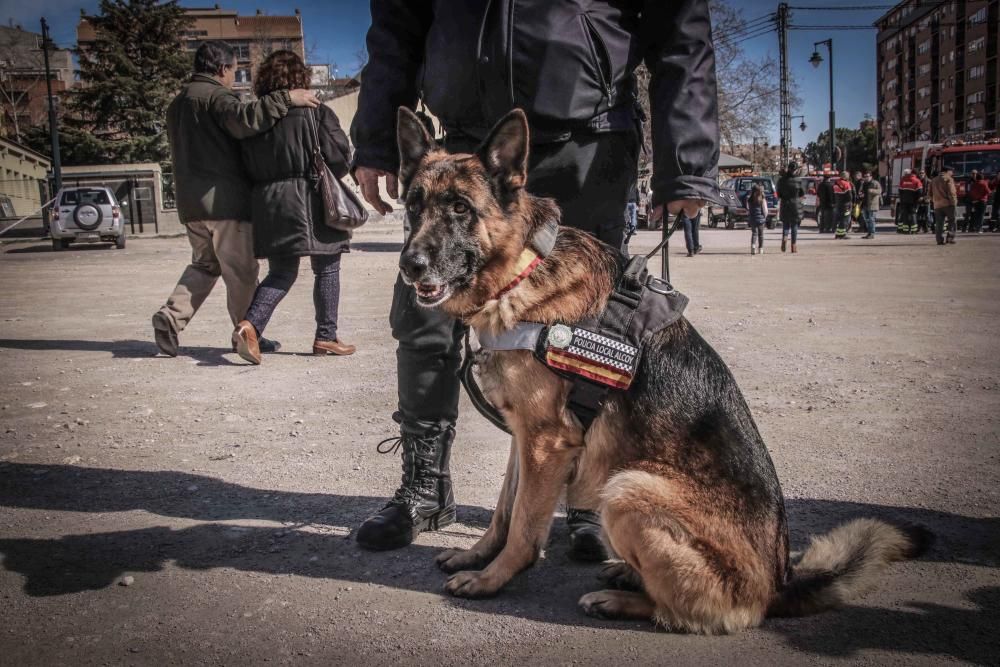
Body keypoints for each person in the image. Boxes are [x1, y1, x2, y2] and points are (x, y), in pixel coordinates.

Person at [350, 0, 721, 556]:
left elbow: (681, 30)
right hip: (468, 141)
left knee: (590, 340)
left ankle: (584, 501)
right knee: (424, 320)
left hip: (589, 141)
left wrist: (687, 159)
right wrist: (377, 139)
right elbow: (396, 29)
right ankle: (425, 485)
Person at [152, 41, 319, 357]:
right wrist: (287, 97)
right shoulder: (216, 97)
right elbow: (245, 119)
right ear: (222, 69)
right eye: (233, 70)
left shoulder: (178, 104)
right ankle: (248, 332)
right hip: (225, 204)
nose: (233, 77)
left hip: (191, 206)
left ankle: (171, 317)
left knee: (204, 265)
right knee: (242, 272)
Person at [231, 51, 356, 365]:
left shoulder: (254, 118)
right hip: (312, 196)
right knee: (327, 268)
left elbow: (242, 165)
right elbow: (340, 156)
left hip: (269, 202)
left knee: (281, 272)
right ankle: (326, 336)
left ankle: (250, 326)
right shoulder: (317, 113)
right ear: (302, 79)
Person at [775, 161, 803, 253]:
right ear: (796, 170)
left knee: (786, 224)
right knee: (794, 225)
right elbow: (802, 193)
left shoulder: (781, 180)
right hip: (795, 204)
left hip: (785, 204)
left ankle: (785, 237)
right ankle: (793, 246)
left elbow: (778, 194)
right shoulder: (798, 180)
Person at [930, 165, 958, 245]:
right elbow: (952, 192)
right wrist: (954, 203)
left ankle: (939, 240)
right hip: (948, 204)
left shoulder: (934, 180)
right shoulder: (949, 179)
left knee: (939, 223)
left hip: (937, 205)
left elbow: (930, 193)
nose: (952, 173)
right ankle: (950, 238)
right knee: (952, 221)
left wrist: (935, 201)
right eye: (951, 171)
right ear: (947, 171)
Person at [896, 168, 922, 235]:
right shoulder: (917, 181)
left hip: (904, 201)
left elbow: (900, 191)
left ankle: (905, 230)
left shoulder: (903, 180)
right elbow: (920, 192)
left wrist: (902, 199)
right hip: (913, 202)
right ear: (916, 174)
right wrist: (917, 199)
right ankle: (914, 230)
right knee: (913, 214)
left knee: (905, 215)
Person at [745, 184, 768, 254]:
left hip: (752, 219)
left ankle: (753, 246)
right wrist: (765, 217)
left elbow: (748, 208)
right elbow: (765, 210)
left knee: (754, 233)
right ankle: (761, 249)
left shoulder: (749, 199)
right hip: (761, 219)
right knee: (761, 234)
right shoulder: (762, 199)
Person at [859, 171, 882, 239]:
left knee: (871, 219)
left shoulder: (875, 183)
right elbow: (861, 191)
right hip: (865, 204)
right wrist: (861, 194)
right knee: (867, 220)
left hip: (872, 204)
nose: (866, 178)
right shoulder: (864, 183)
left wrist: (872, 191)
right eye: (865, 176)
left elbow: (880, 191)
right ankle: (868, 233)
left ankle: (872, 233)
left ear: (871, 177)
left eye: (867, 176)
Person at [832, 171, 854, 239]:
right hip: (845, 205)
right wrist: (851, 202)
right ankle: (842, 234)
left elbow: (834, 194)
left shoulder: (835, 183)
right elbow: (849, 195)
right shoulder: (846, 184)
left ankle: (838, 234)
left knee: (840, 219)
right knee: (845, 219)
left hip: (838, 204)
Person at [915, 169, 932, 233]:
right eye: (920, 173)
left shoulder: (929, 181)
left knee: (927, 215)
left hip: (926, 201)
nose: (921, 174)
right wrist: (918, 198)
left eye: (922, 173)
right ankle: (920, 228)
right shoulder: (917, 181)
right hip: (919, 201)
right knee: (919, 215)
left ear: (925, 174)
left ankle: (928, 227)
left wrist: (924, 197)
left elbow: (929, 192)